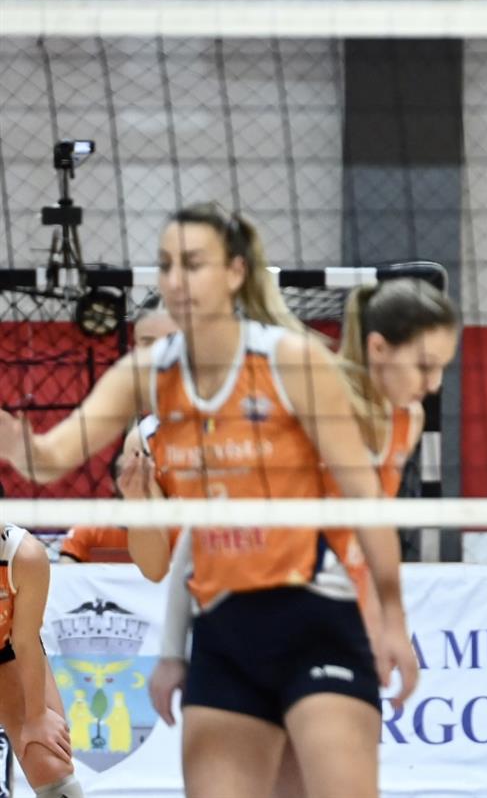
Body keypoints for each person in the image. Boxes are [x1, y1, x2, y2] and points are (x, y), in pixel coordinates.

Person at [0, 203, 419, 798]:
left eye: (193, 263)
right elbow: (48, 458)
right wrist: (17, 443)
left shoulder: (291, 360)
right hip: (224, 630)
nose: (176, 278)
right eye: (167, 264)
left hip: (316, 618)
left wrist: (392, 619)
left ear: (235, 273)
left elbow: (366, 501)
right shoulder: (148, 377)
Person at [148, 277, 459, 797]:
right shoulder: (303, 408)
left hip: (336, 628)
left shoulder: (407, 419)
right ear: (378, 348)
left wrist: (385, 624)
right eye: (425, 365)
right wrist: (171, 650)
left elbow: (369, 540)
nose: (433, 382)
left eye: (442, 366)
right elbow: (206, 527)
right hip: (251, 618)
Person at [59, 295, 179, 565]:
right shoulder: (142, 439)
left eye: (172, 340)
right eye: (147, 343)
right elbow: (154, 567)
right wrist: (138, 504)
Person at [0, 523, 84, 798]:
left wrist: (36, 716)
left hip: (6, 650)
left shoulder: (24, 555)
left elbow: (25, 641)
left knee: (48, 761)